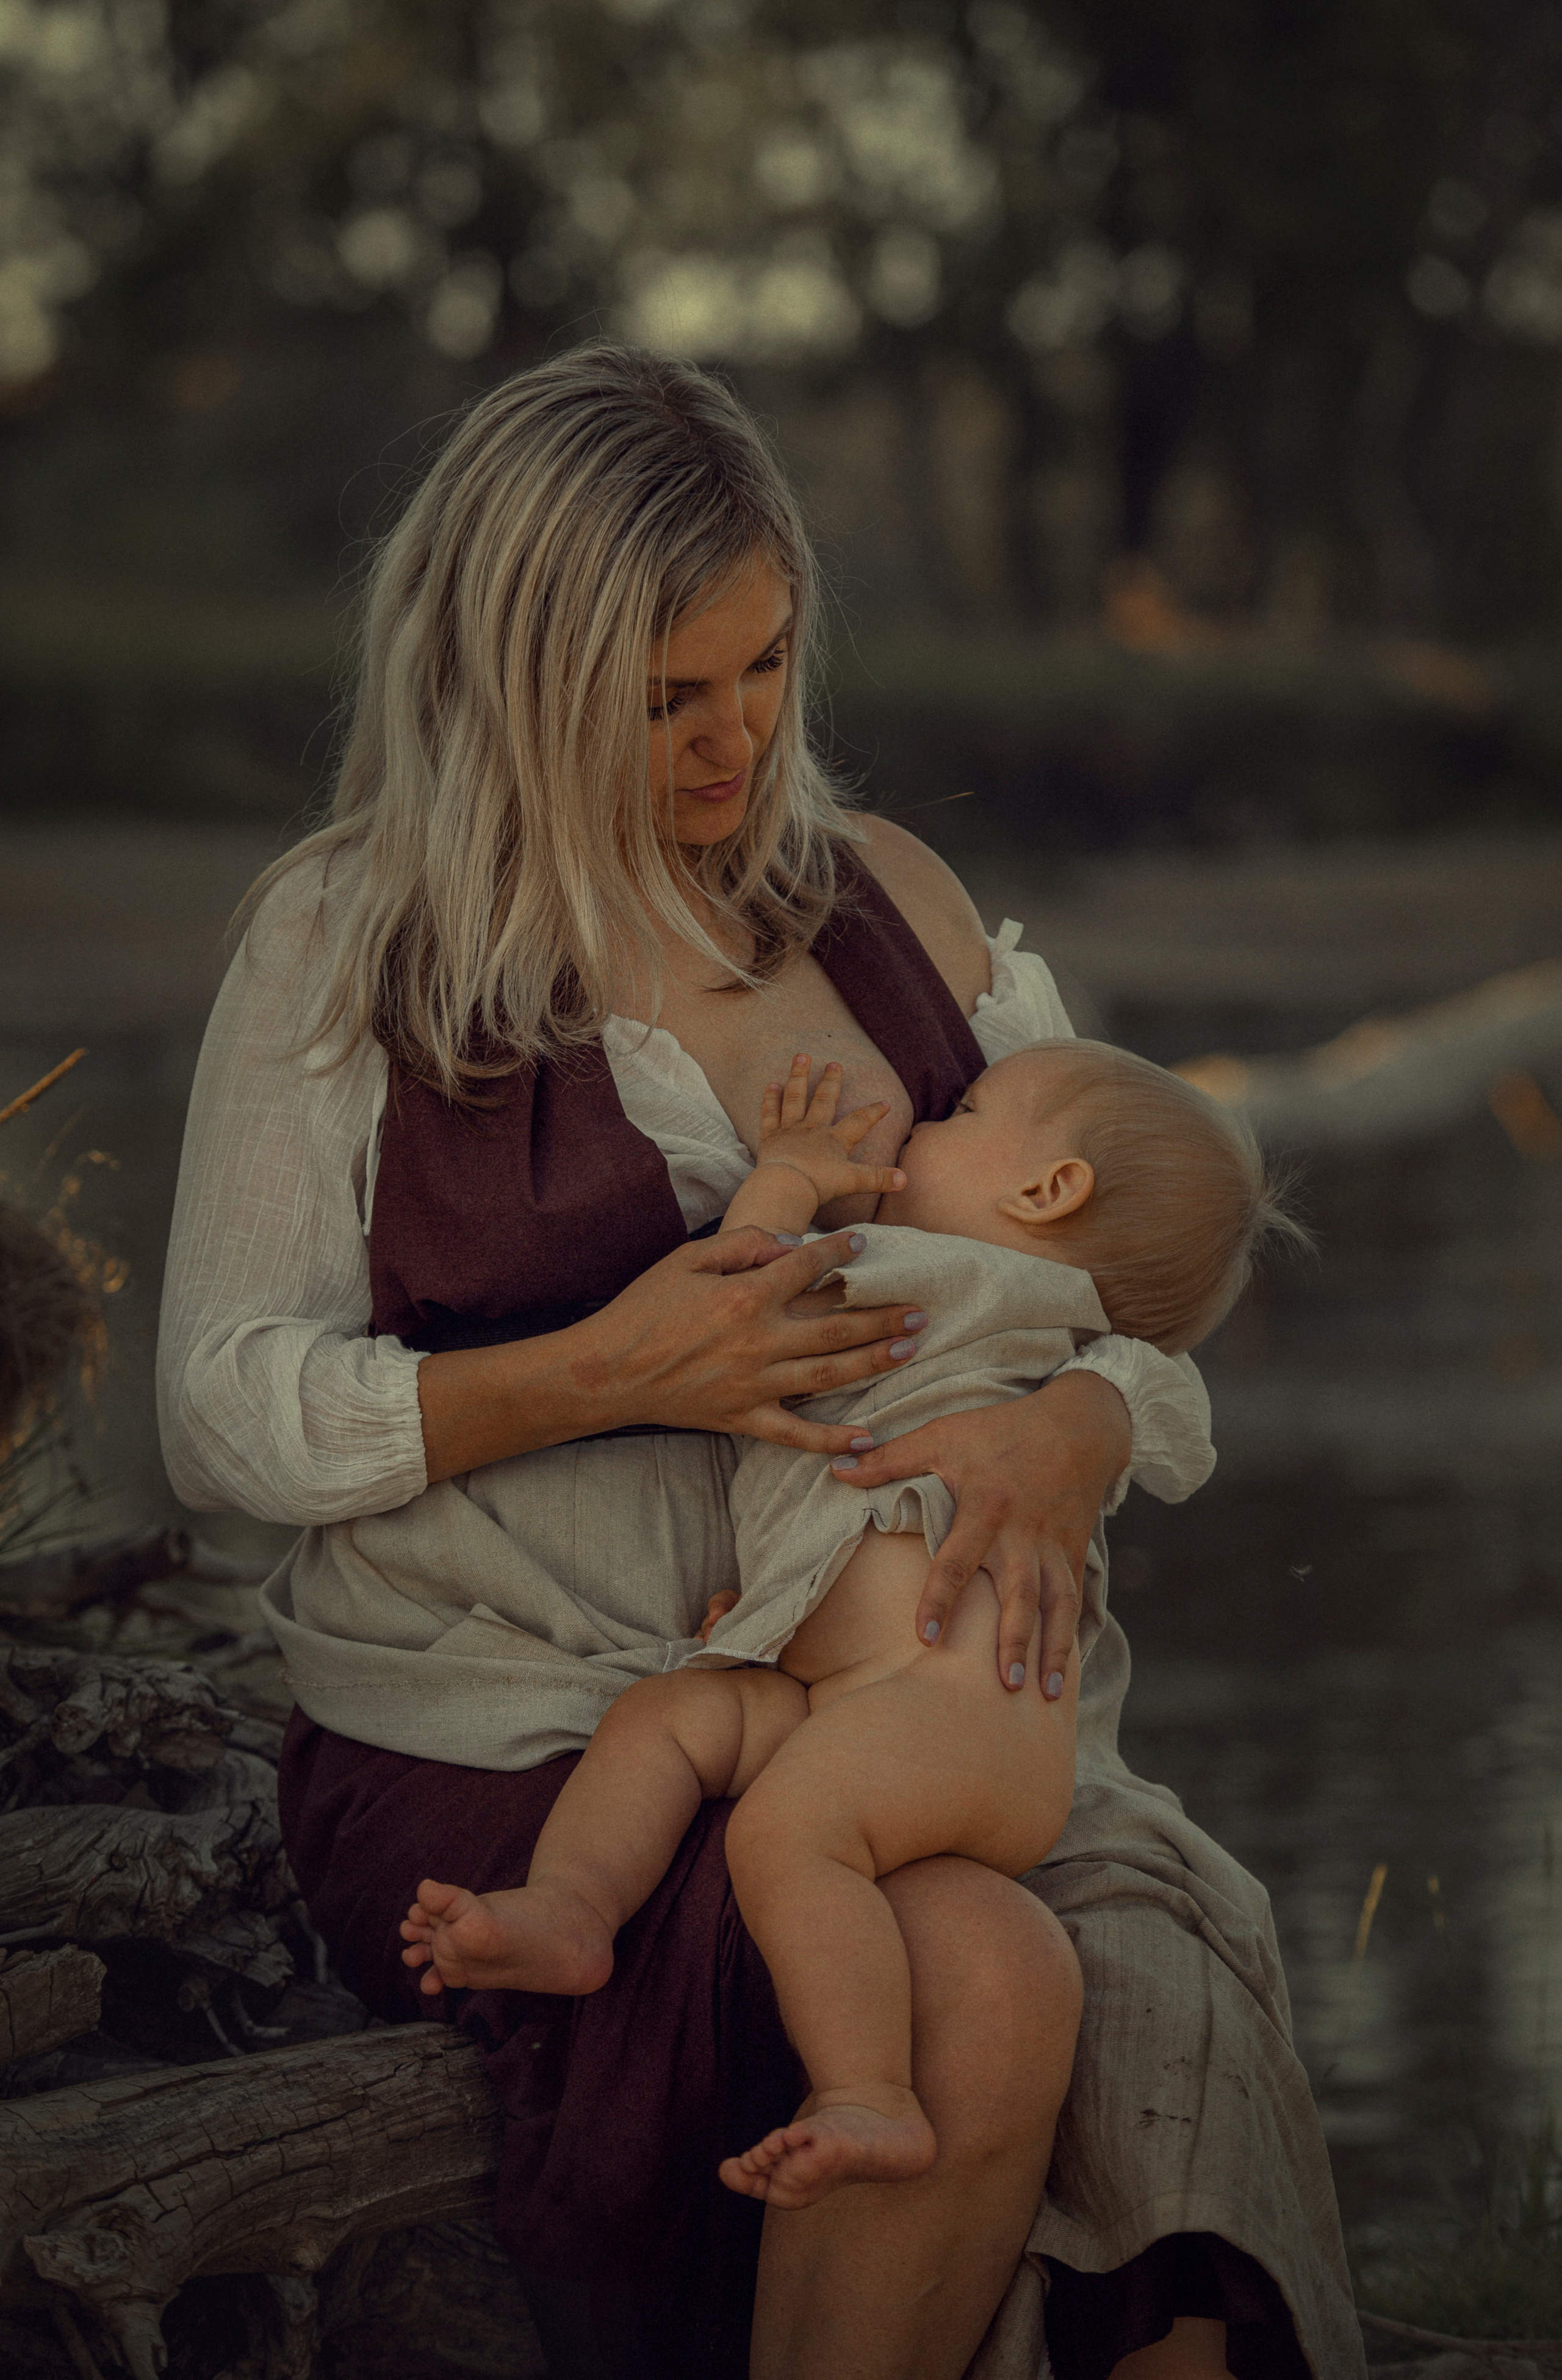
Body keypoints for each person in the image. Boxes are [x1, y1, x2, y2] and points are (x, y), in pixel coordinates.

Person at [157, 345, 1364, 2380]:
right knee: (988, 1987)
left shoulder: (889, 902)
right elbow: (216, 1410)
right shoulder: (350, 941)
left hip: (879, 1709)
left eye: (764, 670)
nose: (735, 744)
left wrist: (1078, 1431)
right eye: (663, 702)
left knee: (1128, 1974)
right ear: (524, 678)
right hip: (505, 1735)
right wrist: (602, 1373)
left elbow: (1132, 1252)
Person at [397, 1040, 1307, 2220]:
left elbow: (744, 1282)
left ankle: (870, 2091)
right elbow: (1169, 1412)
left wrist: (787, 1175)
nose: (929, 1121)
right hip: (871, 1700)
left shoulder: (947, 1277)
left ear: (1045, 1191)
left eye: (965, 1110)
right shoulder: (1049, 1344)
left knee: (786, 1834)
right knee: (672, 1718)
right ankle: (575, 1910)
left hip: (944, 1717)